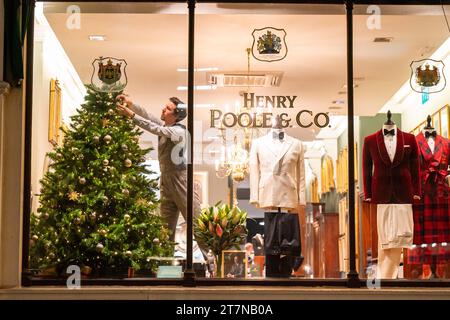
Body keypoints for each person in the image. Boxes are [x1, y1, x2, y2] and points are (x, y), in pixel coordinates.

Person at [116, 94, 204, 255]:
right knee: (165, 228)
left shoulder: (179, 131)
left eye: (168, 108)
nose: (163, 109)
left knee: (196, 221)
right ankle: (166, 266)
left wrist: (131, 115)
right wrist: (132, 104)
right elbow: (150, 119)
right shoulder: (167, 127)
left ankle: (212, 261)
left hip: (180, 180)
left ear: (177, 115)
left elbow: (154, 128)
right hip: (166, 179)